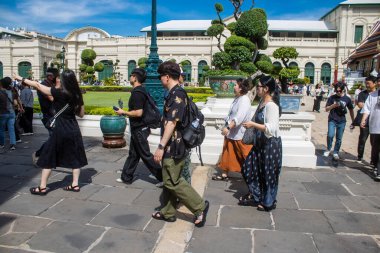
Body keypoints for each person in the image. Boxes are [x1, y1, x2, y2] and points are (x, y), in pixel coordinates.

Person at [152, 61, 209, 227]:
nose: (160, 80)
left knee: (172, 181)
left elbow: (171, 123)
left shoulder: (177, 94)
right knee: (169, 178)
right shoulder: (175, 93)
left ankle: (200, 206)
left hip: (174, 146)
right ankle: (168, 212)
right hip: (176, 144)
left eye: (160, 76)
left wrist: (161, 147)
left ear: (167, 77)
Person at [13, 69, 87, 195]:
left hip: (60, 129)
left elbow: (37, 85)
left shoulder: (57, 92)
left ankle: (42, 187)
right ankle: (75, 184)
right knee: (75, 156)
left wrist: (21, 78)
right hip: (73, 129)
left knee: (48, 156)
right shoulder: (77, 95)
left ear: (63, 80)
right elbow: (81, 114)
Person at [240, 76, 282, 212]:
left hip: (270, 144)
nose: (256, 88)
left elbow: (271, 128)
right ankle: (258, 195)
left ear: (266, 89)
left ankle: (268, 202)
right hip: (259, 143)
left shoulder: (271, 106)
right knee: (249, 168)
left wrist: (253, 124)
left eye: (258, 86)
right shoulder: (262, 103)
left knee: (268, 174)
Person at [114, 68, 162, 185]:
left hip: (140, 128)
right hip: (139, 128)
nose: (130, 77)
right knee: (134, 154)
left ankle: (164, 177)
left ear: (135, 77)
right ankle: (126, 177)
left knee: (145, 155)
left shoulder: (137, 93)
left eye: (131, 75)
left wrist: (123, 112)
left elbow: (139, 112)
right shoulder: (141, 90)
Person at [212, 78, 253, 181]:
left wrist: (229, 127)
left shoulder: (244, 100)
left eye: (236, 85)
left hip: (240, 134)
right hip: (232, 132)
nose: (233, 86)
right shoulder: (237, 98)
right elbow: (232, 114)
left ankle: (254, 175)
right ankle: (224, 174)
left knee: (245, 155)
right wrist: (226, 123)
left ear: (241, 88)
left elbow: (239, 117)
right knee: (227, 153)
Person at [33, 68, 59, 165]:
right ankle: (38, 154)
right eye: (56, 76)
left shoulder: (51, 84)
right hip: (49, 115)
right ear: (51, 76)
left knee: (56, 137)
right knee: (53, 137)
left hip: (53, 114)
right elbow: (52, 98)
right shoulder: (44, 85)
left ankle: (51, 157)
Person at [323, 82, 354, 160]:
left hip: (342, 121)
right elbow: (326, 109)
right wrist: (333, 105)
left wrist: (353, 121)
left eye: (340, 91)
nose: (338, 92)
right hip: (332, 119)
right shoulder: (332, 98)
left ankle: (336, 152)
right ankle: (329, 149)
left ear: (343, 90)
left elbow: (351, 110)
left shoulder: (347, 99)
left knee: (339, 138)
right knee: (330, 135)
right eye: (336, 91)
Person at [360, 75, 380, 180]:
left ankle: (378, 170)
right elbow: (367, 109)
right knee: (375, 148)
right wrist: (363, 120)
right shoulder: (372, 96)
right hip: (375, 125)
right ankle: (375, 165)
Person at [353, 76, 376, 162]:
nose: (367, 85)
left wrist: (368, 107)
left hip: (375, 121)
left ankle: (373, 160)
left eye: (369, 83)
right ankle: (360, 156)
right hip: (365, 120)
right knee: (362, 139)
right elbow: (360, 104)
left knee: (374, 142)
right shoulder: (362, 94)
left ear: (374, 84)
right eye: (366, 83)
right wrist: (371, 107)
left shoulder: (377, 94)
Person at [0, 77, 22, 150]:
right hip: (12, 112)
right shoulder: (13, 90)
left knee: (2, 129)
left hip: (3, 113)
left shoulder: (1, 92)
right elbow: (16, 102)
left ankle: (2, 144)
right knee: (11, 129)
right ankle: (12, 144)